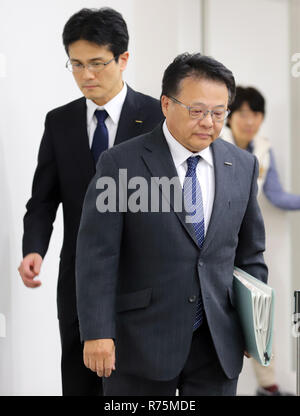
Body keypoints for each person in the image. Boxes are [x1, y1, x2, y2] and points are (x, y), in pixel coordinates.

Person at [75, 53, 268, 396]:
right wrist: (96, 332)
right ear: (166, 104)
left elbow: (250, 255)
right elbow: (97, 256)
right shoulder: (120, 163)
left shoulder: (242, 165)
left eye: (218, 112)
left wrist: (254, 327)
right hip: (140, 344)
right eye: (197, 111)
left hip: (217, 344)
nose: (209, 122)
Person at [18, 7, 163, 396]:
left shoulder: (156, 118)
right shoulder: (59, 121)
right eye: (76, 64)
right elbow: (44, 198)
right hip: (78, 277)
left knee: (135, 385)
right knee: (81, 380)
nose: (87, 75)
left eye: (98, 63)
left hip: (143, 280)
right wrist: (34, 249)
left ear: (123, 59)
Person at [222, 86, 299, 396]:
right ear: (230, 117)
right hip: (213, 244)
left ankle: (269, 387)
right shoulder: (214, 142)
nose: (249, 120)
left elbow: (276, 194)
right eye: (242, 113)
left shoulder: (264, 148)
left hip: (247, 247)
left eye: (255, 114)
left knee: (260, 313)